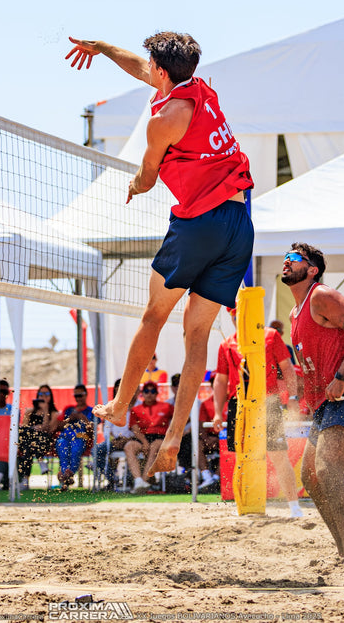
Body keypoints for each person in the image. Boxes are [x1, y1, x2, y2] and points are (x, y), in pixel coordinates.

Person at [66, 32, 254, 479]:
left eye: (152, 65)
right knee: (196, 338)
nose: (147, 69)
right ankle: (172, 440)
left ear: (163, 71)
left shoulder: (164, 119)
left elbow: (148, 177)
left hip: (199, 225)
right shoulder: (198, 89)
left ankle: (119, 403)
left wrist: (134, 184)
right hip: (239, 223)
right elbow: (141, 68)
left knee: (153, 317)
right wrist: (106, 49)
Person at [283, 243, 344, 564]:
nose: (286, 261)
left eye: (294, 259)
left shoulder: (321, 295)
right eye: (286, 257)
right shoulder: (295, 313)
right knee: (311, 477)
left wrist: (340, 376)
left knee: (328, 471)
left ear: (312, 270)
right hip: (327, 403)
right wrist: (307, 400)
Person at [212, 311, 303, 518]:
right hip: (239, 404)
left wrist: (293, 398)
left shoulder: (271, 336)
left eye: (240, 315)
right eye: (235, 317)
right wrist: (218, 412)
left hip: (267, 401)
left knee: (279, 455)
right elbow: (220, 379)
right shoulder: (227, 344)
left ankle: (294, 506)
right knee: (241, 458)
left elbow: (287, 368)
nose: (238, 320)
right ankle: (244, 506)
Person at [123, 381, 174, 493]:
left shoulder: (166, 407)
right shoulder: (136, 410)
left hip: (160, 438)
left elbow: (181, 420)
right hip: (143, 437)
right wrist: (144, 442)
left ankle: (144, 482)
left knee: (154, 446)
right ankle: (138, 481)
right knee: (129, 446)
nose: (149, 394)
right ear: (142, 394)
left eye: (152, 391)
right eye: (146, 391)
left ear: (157, 393)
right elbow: (135, 429)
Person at [52, 385, 94, 490]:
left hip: (81, 437)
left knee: (75, 448)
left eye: (80, 395)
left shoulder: (91, 411)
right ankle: (66, 474)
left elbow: (91, 432)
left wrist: (83, 419)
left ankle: (66, 475)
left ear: (86, 395)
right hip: (65, 436)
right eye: (76, 396)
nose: (78, 398)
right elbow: (59, 426)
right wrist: (69, 419)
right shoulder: (68, 409)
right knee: (61, 446)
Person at [16, 384, 58, 490]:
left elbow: (48, 429)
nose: (43, 397)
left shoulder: (53, 413)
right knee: (27, 439)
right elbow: (24, 427)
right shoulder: (30, 411)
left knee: (30, 441)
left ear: (51, 396)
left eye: (46, 394)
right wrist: (34, 428)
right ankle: (40, 461)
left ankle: (25, 479)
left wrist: (45, 411)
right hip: (29, 441)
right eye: (41, 394)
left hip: (44, 441)